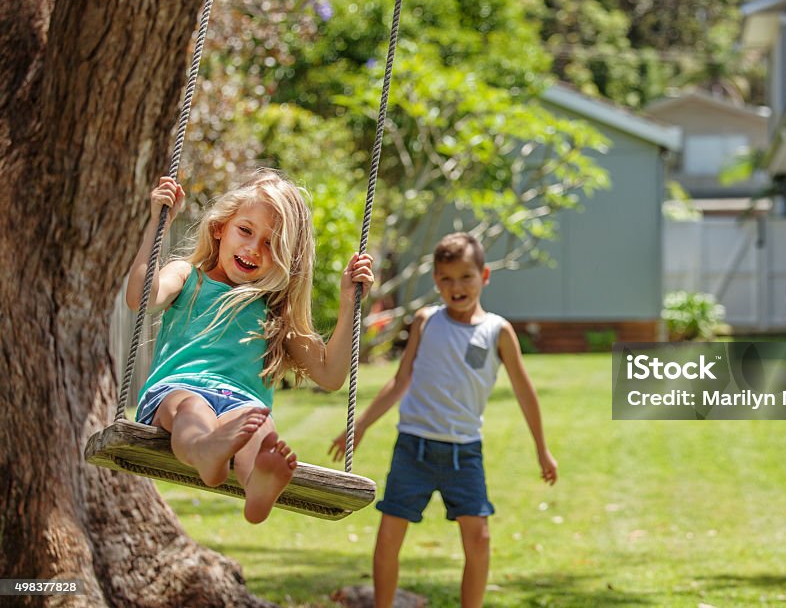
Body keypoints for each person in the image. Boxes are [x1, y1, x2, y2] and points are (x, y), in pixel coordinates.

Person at [128, 170, 373, 524]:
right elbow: (140, 296)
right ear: (219, 227)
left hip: (242, 404)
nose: (253, 249)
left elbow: (331, 375)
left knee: (258, 428)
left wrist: (349, 303)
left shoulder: (275, 313)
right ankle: (204, 450)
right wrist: (158, 225)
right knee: (193, 410)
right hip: (178, 390)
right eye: (245, 230)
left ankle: (256, 487)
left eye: (271, 244)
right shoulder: (187, 277)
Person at [328, 232, 557, 608]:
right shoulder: (425, 321)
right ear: (436, 281)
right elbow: (400, 381)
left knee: (479, 538)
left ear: (483, 276)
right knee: (388, 537)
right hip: (413, 449)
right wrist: (361, 426)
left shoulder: (498, 331)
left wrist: (542, 451)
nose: (456, 287)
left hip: (463, 454)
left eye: (466, 276)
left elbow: (524, 392)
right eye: (446, 278)